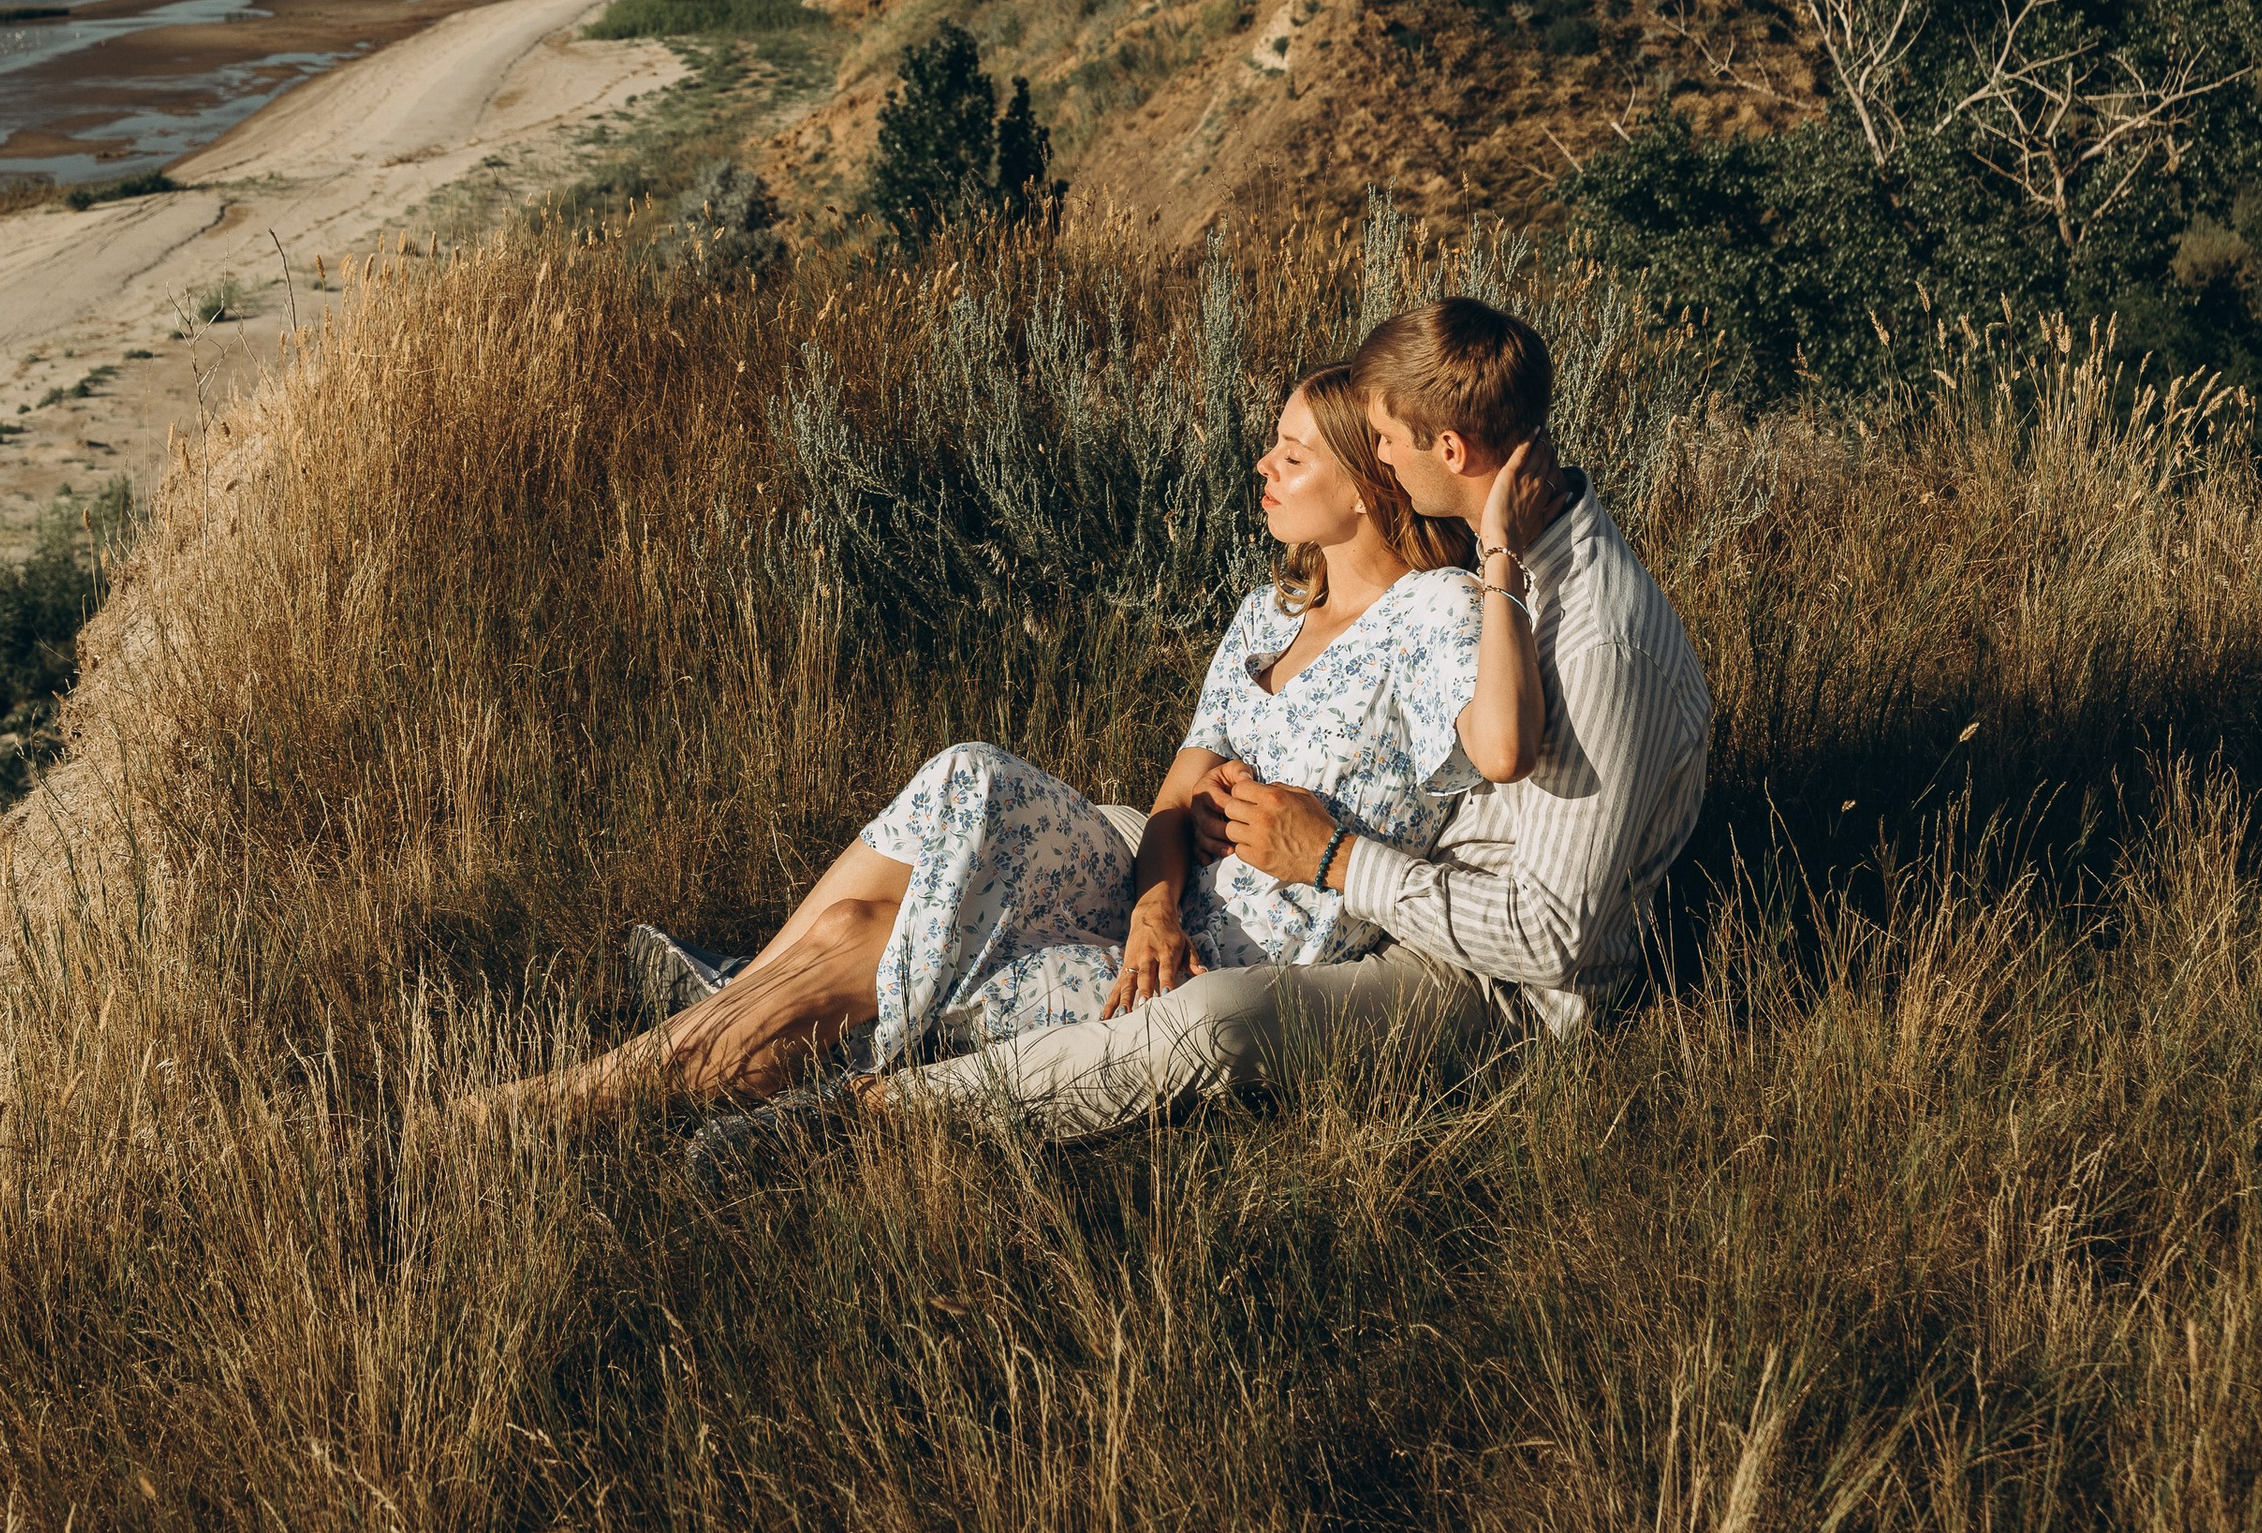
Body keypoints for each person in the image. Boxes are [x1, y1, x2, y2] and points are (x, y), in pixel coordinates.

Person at [482, 359, 1552, 1129]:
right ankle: (718, 1032)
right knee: (967, 772)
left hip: (1219, 967)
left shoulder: (1437, 613)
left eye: (1293, 452)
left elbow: (1500, 745)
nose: (1263, 464)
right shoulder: (1270, 609)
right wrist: (1148, 902)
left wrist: (1498, 550)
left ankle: (575, 1103)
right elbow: (1180, 780)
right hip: (1152, 908)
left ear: (1371, 483)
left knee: (863, 932)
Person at [858, 290, 1712, 1146]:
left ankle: (893, 1112)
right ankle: (815, 994)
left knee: (1213, 1020)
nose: (1375, 456)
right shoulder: (1501, 559)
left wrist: (1333, 854)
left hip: (1479, 979)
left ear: (1447, 449)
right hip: (1368, 877)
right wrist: (1228, 805)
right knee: (1020, 822)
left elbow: (1548, 938)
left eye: (1381, 438)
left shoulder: (1598, 639)